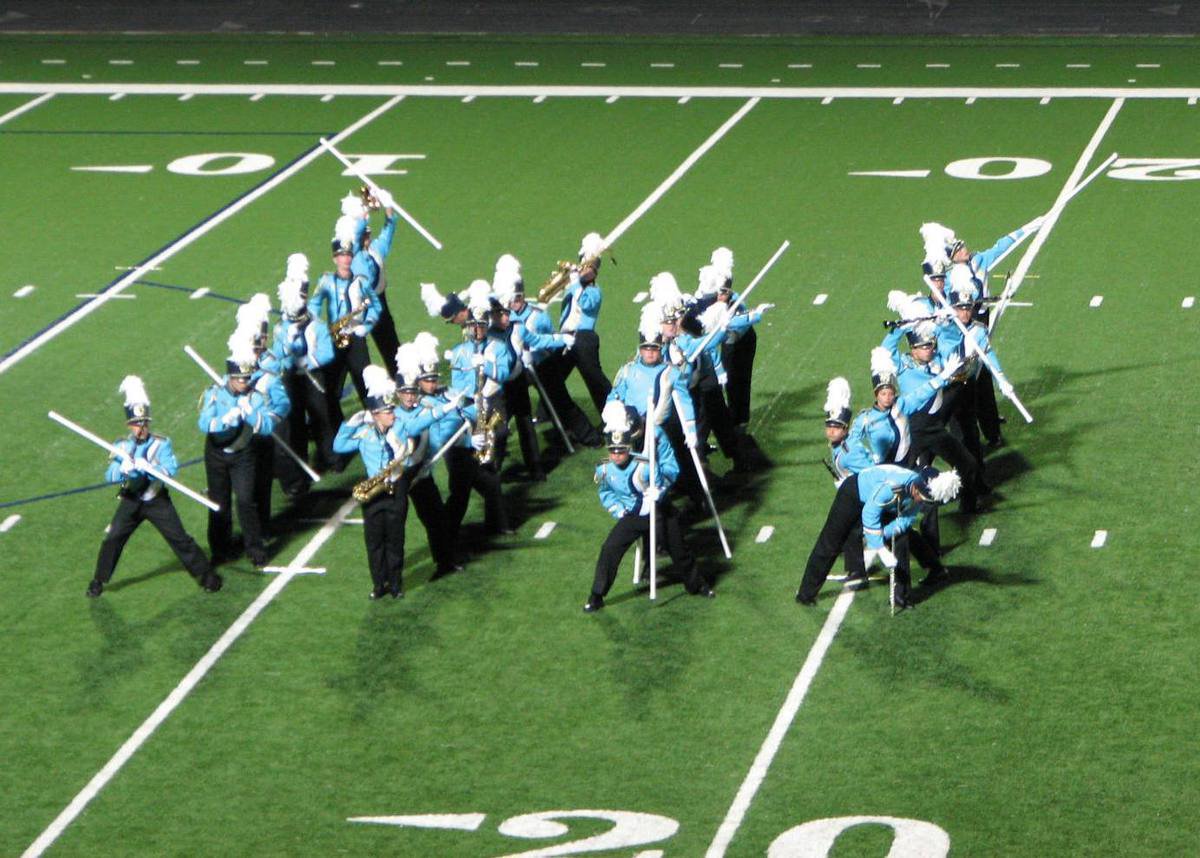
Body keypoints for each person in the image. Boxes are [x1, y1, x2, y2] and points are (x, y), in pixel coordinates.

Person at [334, 364, 463, 599]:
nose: (393, 414)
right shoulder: (363, 434)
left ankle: (395, 584)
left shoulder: (401, 427)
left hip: (396, 487)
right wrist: (350, 423)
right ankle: (378, 585)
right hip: (374, 489)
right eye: (388, 411)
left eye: (392, 410)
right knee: (374, 541)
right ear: (375, 414)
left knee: (395, 539)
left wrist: (446, 408)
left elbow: (423, 421)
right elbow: (338, 446)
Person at [88, 377, 220, 597]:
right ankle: (99, 579)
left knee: (179, 539)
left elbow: (171, 469)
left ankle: (206, 575)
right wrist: (124, 469)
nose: (141, 428)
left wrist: (151, 467)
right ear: (129, 425)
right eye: (137, 423)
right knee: (113, 538)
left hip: (156, 499)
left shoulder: (161, 443)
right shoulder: (122, 446)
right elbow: (110, 475)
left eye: (144, 422)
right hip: (131, 500)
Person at [584, 401, 714, 612]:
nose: (616, 455)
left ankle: (697, 585)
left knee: (679, 549)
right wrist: (619, 510)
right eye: (613, 451)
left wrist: (659, 490)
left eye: (621, 450)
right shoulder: (605, 469)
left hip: (659, 509)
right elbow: (606, 492)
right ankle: (596, 594)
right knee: (610, 548)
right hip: (633, 514)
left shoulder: (651, 450)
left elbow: (669, 470)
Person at [795, 464, 961, 611]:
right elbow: (869, 515)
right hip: (854, 494)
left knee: (901, 539)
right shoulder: (892, 487)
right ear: (916, 488)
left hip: (884, 506)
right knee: (831, 542)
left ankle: (901, 597)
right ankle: (805, 594)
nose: (920, 502)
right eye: (921, 498)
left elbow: (905, 520)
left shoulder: (920, 494)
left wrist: (884, 533)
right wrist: (880, 549)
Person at [491, 257, 577, 477]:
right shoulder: (488, 334)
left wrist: (561, 339)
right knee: (498, 428)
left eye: (506, 311)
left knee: (525, 422)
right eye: (501, 312)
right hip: (498, 385)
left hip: (518, 378)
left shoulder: (517, 327)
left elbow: (540, 341)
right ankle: (494, 467)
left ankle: (535, 466)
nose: (506, 315)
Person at [197, 337, 274, 567]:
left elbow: (268, 427)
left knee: (245, 499)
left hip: (243, 454)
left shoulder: (255, 398)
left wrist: (249, 412)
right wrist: (225, 420)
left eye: (247, 378)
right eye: (240, 378)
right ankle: (220, 549)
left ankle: (255, 547)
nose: (244, 382)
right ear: (231, 377)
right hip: (216, 453)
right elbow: (203, 424)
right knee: (219, 501)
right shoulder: (214, 394)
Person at [442, 301, 514, 540]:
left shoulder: (498, 346)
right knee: (480, 464)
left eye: (481, 326)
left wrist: (488, 365)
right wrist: (470, 401)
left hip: (493, 400)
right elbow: (456, 386)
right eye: (473, 325)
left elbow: (504, 373)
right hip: (472, 405)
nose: (477, 330)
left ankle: (496, 518)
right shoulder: (459, 351)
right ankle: (497, 520)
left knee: (497, 447)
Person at [308, 217, 381, 421]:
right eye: (341, 255)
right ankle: (335, 428)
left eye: (349, 255)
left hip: (356, 339)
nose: (346, 259)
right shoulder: (325, 281)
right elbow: (313, 305)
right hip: (334, 339)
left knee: (366, 384)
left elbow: (375, 307)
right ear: (334, 258)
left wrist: (365, 327)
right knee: (330, 389)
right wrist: (318, 327)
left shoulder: (360, 281)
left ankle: (376, 424)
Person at [271, 275, 337, 484]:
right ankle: (301, 465)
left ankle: (332, 458)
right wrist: (287, 353)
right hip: (291, 379)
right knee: (295, 422)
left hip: (312, 376)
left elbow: (328, 353)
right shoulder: (281, 329)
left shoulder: (317, 325)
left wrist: (307, 361)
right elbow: (277, 354)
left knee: (322, 418)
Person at [232, 296, 290, 533]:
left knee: (263, 482)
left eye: (259, 345)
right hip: (240, 436)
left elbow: (283, 404)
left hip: (263, 432)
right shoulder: (235, 370)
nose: (257, 350)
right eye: (253, 346)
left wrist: (268, 421)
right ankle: (249, 535)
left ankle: (262, 527)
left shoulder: (270, 369)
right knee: (244, 490)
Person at [540, 231, 611, 419]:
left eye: (587, 268)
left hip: (583, 339)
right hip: (566, 338)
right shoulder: (574, 285)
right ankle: (544, 413)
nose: (582, 270)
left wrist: (576, 284)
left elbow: (586, 304)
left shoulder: (595, 291)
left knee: (594, 379)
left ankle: (613, 411)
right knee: (552, 376)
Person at [340, 190, 403, 376]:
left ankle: (400, 380)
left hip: (379, 302)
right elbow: (358, 231)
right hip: (359, 306)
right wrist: (365, 210)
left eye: (368, 235)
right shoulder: (354, 254)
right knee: (357, 353)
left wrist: (388, 206)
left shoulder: (376, 249)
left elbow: (389, 229)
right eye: (364, 236)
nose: (367, 238)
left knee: (391, 346)